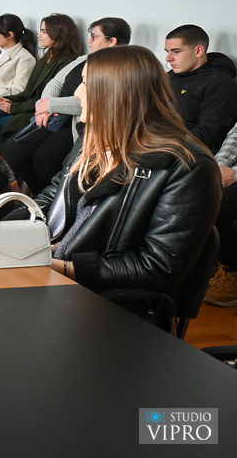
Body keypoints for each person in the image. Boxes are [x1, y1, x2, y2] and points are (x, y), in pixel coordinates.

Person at [37, 46, 220, 299]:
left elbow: (157, 269)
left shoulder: (187, 166)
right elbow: (55, 192)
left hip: (103, 304)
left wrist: (57, 267)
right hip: (53, 278)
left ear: (117, 93)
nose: (78, 94)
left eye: (86, 84)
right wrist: (3, 227)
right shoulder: (93, 138)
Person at [0, 17, 130, 193]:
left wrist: (51, 105)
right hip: (55, 116)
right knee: (12, 150)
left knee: (44, 160)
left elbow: (93, 102)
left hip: (78, 123)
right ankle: (40, 196)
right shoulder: (85, 58)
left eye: (94, 36)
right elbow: (55, 83)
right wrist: (44, 108)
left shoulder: (120, 67)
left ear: (111, 41)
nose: (88, 40)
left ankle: (53, 200)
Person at [0, 13, 83, 140]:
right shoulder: (46, 58)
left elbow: (43, 99)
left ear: (58, 34)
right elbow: (28, 92)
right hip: (25, 106)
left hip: (34, 112)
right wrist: (8, 100)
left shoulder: (67, 63)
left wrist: (14, 107)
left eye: (44, 31)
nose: (39, 35)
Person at [163, 24, 237, 153]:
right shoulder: (168, 77)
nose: (168, 58)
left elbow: (211, 133)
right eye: (167, 52)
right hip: (156, 144)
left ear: (198, 51)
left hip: (187, 154)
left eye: (176, 51)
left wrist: (163, 146)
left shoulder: (220, 83)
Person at [205, 120, 237, 306]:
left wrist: (233, 173)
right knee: (199, 193)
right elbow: (235, 137)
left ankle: (232, 269)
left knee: (215, 204)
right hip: (230, 172)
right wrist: (219, 166)